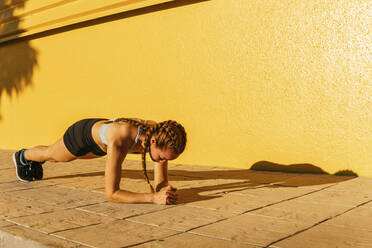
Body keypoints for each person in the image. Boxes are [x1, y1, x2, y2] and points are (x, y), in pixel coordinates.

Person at [12, 118, 187, 205]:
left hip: (101, 144)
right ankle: (22, 156)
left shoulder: (155, 136)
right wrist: (152, 198)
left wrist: (165, 191)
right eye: (163, 158)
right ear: (154, 142)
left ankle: (28, 158)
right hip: (81, 136)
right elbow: (112, 194)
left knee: (55, 155)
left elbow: (160, 182)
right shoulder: (121, 138)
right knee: (52, 155)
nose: (162, 162)